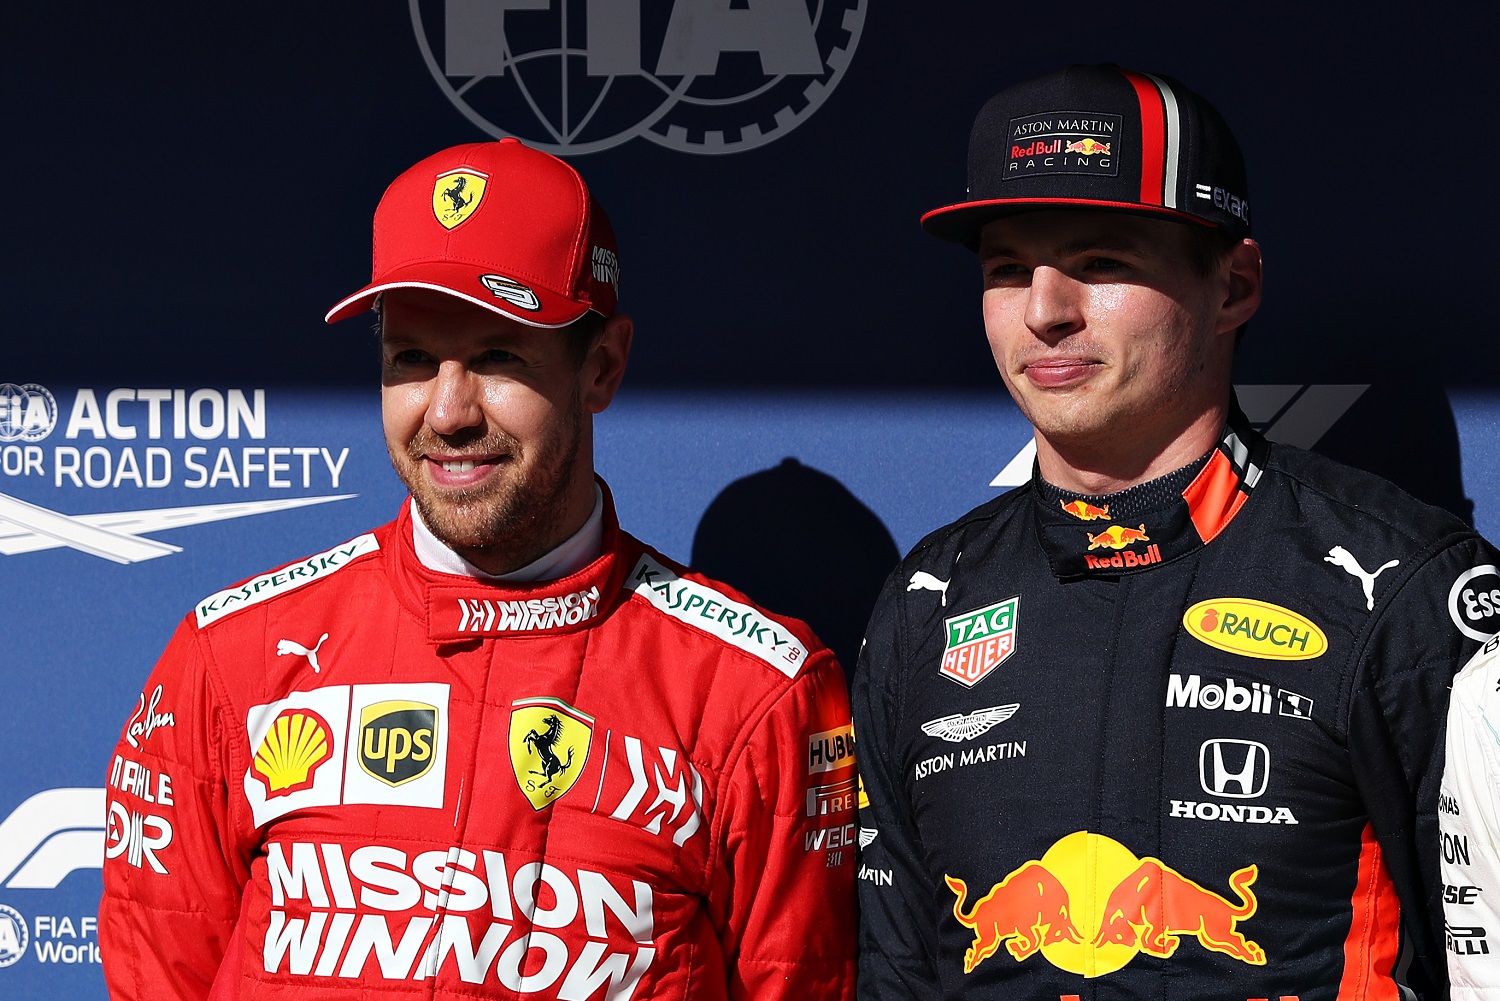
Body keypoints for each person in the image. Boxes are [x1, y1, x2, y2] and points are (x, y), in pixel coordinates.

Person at [99, 138, 857, 1000]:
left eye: (498, 357)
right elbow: (159, 976)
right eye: (412, 359)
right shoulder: (231, 659)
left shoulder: (757, 693)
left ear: (602, 366)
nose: (448, 413)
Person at [852, 63, 1499, 1000]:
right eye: (1005, 270)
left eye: (1102, 261)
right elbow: (896, 972)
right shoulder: (926, 602)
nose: (1044, 310)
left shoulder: (1402, 588)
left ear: (1234, 285)